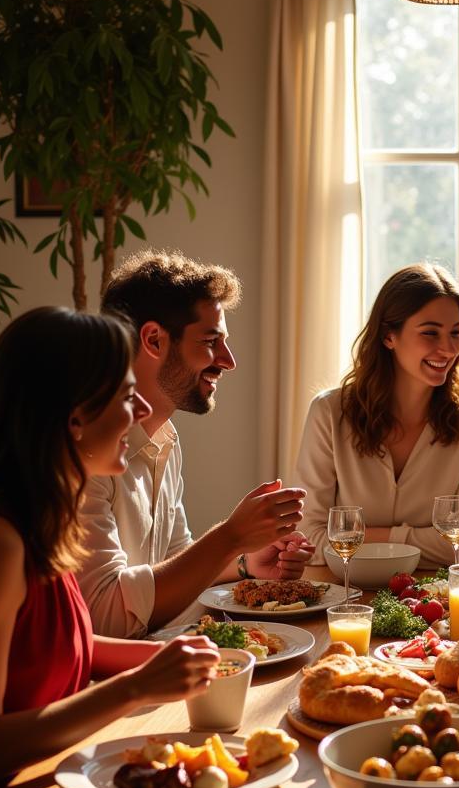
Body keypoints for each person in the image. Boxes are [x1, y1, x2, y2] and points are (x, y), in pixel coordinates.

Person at [0, 307, 221, 788]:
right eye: (124, 396)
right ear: (74, 419)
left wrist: (183, 660)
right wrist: (137, 689)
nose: (140, 410)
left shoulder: (40, 518)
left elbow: (55, 646)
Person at [78, 251, 312, 638]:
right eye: (210, 341)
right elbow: (104, 619)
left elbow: (173, 562)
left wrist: (244, 564)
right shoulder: (88, 449)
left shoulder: (166, 437)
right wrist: (230, 537)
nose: (229, 360)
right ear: (154, 339)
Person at [295, 263, 459, 566]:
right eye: (430, 333)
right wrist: (419, 539)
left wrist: (356, 539)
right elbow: (308, 538)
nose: (447, 348)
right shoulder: (329, 412)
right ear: (388, 336)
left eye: (455, 333)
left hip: (440, 598)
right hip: (347, 594)